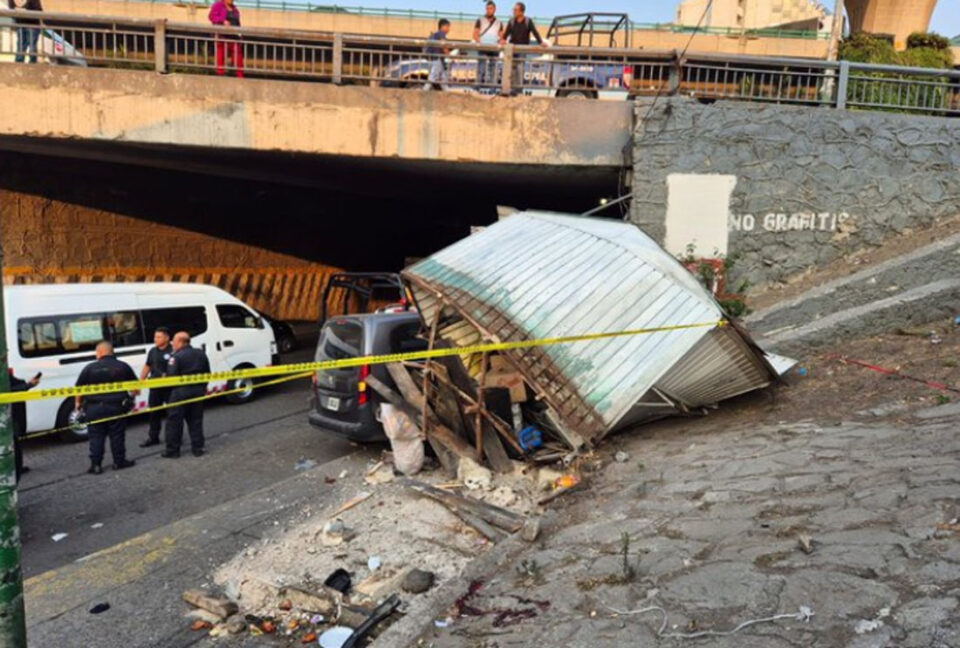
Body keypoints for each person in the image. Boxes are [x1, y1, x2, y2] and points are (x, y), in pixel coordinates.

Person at [75, 341, 138, 475]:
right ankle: (119, 462)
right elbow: (135, 388)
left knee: (96, 437)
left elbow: (79, 389)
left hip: (94, 408)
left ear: (99, 353)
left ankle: (96, 465)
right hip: (116, 406)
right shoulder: (123, 366)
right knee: (117, 436)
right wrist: (131, 399)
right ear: (112, 352)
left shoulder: (89, 368)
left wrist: (78, 404)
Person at [163, 331, 211, 458]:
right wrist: (203, 387)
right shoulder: (200, 353)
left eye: (174, 341)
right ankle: (198, 448)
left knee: (174, 422)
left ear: (181, 342)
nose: (172, 343)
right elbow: (207, 372)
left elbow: (172, 377)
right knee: (196, 420)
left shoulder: (176, 357)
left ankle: (173, 451)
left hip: (180, 392)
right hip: (198, 391)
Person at [139, 327, 173, 448]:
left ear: (167, 338)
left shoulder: (173, 350)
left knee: (172, 413)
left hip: (170, 388)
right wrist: (140, 381)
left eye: (159, 337)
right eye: (155, 337)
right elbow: (147, 366)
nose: (155, 339)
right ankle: (153, 437)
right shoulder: (153, 351)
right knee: (154, 413)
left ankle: (173, 437)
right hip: (155, 387)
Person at [500, 2, 545, 94]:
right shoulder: (511, 21)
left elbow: (535, 32)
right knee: (511, 69)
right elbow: (506, 34)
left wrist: (541, 42)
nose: (514, 11)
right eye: (513, 10)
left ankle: (518, 90)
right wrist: (503, 40)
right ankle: (511, 89)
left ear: (521, 12)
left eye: (516, 10)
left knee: (520, 69)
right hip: (512, 49)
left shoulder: (528, 21)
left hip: (522, 49)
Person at [8, 367, 39, 481]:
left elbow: (14, 384)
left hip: (12, 415)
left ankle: (17, 467)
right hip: (7, 417)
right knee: (13, 444)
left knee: (16, 444)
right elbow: (9, 391)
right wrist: (28, 385)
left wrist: (27, 384)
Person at [208, 0, 243, 78]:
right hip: (222, 36)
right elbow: (212, 17)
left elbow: (238, 23)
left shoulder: (235, 9)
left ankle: (240, 76)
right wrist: (222, 21)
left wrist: (240, 35)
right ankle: (220, 75)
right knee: (221, 56)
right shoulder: (218, 5)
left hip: (234, 37)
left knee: (238, 57)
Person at [473, 1, 503, 91]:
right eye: (487, 8)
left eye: (490, 8)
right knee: (481, 68)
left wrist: (499, 43)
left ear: (494, 9)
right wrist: (480, 42)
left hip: (494, 48)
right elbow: (475, 34)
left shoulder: (499, 22)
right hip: (483, 47)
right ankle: (477, 88)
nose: (488, 10)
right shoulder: (480, 20)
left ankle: (492, 89)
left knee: (493, 69)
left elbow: (501, 35)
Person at [8, 0, 43, 64]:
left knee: (32, 45)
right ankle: (19, 62)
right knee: (20, 45)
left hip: (32, 25)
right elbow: (11, 11)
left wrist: (26, 11)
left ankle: (32, 63)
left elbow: (39, 11)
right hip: (20, 24)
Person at [424, 18, 451, 91]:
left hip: (434, 59)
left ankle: (447, 92)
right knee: (433, 77)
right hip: (437, 59)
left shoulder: (435, 34)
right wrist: (449, 54)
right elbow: (443, 45)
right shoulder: (441, 34)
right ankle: (424, 91)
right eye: (448, 26)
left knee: (443, 78)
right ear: (443, 26)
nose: (449, 29)